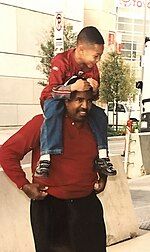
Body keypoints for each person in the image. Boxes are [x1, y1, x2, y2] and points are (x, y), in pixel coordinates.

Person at [0, 89, 108, 252]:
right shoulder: (43, 123)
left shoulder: (95, 125)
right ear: (65, 101)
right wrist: (24, 185)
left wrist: (103, 176)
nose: (85, 106)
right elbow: (7, 152)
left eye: (89, 101)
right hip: (52, 208)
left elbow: (100, 155)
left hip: (87, 207)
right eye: (78, 100)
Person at [37, 25, 117, 178]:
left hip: (77, 102)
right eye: (96, 56)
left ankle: (102, 154)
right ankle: (46, 156)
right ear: (81, 50)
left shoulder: (93, 68)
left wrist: (94, 90)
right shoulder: (61, 61)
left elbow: (93, 98)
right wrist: (73, 87)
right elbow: (53, 90)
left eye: (100, 56)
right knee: (54, 111)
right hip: (55, 99)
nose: (98, 60)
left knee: (100, 114)